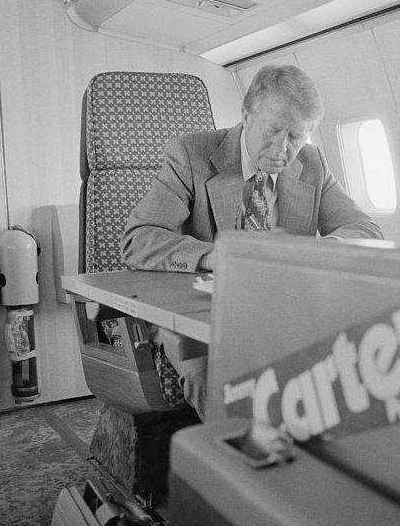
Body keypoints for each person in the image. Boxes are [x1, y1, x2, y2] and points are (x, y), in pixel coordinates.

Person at [121, 63, 385, 416]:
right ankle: (240, 467)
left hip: (282, 315)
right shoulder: (191, 154)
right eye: (273, 131)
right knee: (218, 383)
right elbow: (138, 239)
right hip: (199, 324)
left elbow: (366, 230)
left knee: (362, 367)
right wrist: (215, 257)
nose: (281, 148)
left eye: (295, 136)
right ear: (246, 115)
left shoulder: (312, 163)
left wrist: (320, 250)